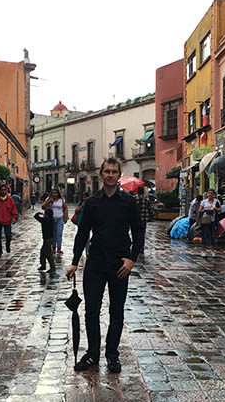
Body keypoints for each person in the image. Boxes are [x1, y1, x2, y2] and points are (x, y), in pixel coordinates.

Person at [66, 157, 144, 374]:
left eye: (114, 171)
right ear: (101, 174)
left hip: (120, 264)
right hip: (96, 263)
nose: (110, 175)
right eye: (107, 171)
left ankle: (112, 354)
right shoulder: (92, 202)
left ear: (119, 175)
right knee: (91, 311)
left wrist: (132, 259)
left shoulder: (128, 202)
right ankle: (92, 353)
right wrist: (74, 262)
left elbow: (139, 230)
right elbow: (82, 233)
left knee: (116, 311)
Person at [0, 184, 19, 258]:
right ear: (0, 191)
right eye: (2, 190)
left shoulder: (10, 199)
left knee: (8, 236)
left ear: (7, 190)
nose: (3, 191)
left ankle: (7, 245)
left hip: (7, 220)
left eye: (4, 190)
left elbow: (13, 209)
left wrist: (15, 217)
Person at [42, 188, 68, 254]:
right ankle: (53, 248)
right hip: (51, 220)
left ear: (58, 193)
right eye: (53, 193)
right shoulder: (48, 199)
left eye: (55, 193)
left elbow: (65, 208)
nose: (54, 194)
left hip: (59, 219)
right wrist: (49, 201)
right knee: (52, 234)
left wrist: (65, 217)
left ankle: (59, 248)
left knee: (59, 234)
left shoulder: (61, 200)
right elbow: (43, 207)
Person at [199, 189, 221, 258]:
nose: (210, 194)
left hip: (213, 220)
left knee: (212, 235)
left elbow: (220, 209)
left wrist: (215, 208)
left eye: (211, 193)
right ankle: (203, 250)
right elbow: (200, 210)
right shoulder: (204, 202)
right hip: (205, 219)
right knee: (204, 235)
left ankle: (212, 250)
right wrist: (205, 209)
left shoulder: (216, 201)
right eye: (209, 193)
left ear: (213, 194)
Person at [134, 187, 154, 255]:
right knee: (142, 234)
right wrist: (151, 216)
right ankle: (141, 248)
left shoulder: (134, 198)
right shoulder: (146, 199)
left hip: (135, 219)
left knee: (135, 233)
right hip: (143, 219)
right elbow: (150, 209)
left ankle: (135, 247)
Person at [74, 192, 90, 257]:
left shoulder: (90, 203)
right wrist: (82, 205)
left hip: (88, 221)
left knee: (87, 236)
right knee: (80, 236)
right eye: (83, 196)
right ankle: (79, 250)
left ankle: (87, 251)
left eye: (85, 196)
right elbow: (76, 211)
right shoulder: (80, 203)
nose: (84, 198)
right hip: (80, 221)